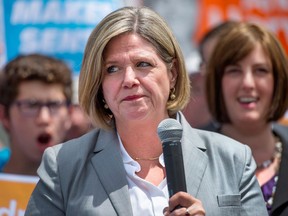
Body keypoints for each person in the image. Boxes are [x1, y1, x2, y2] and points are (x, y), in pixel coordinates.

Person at [25, 7, 267, 216]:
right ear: (99, 85)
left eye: (143, 64)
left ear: (172, 74)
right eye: (112, 69)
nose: (129, 79)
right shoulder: (63, 165)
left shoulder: (233, 159)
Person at [205, 22, 288, 216]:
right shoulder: (188, 161)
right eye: (234, 70)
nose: (248, 83)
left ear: (279, 81)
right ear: (217, 83)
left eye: (261, 70)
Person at [0, 54, 72, 175]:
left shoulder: (92, 180)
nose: (44, 119)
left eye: (54, 105)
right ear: (4, 116)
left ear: (69, 114)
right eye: (31, 105)